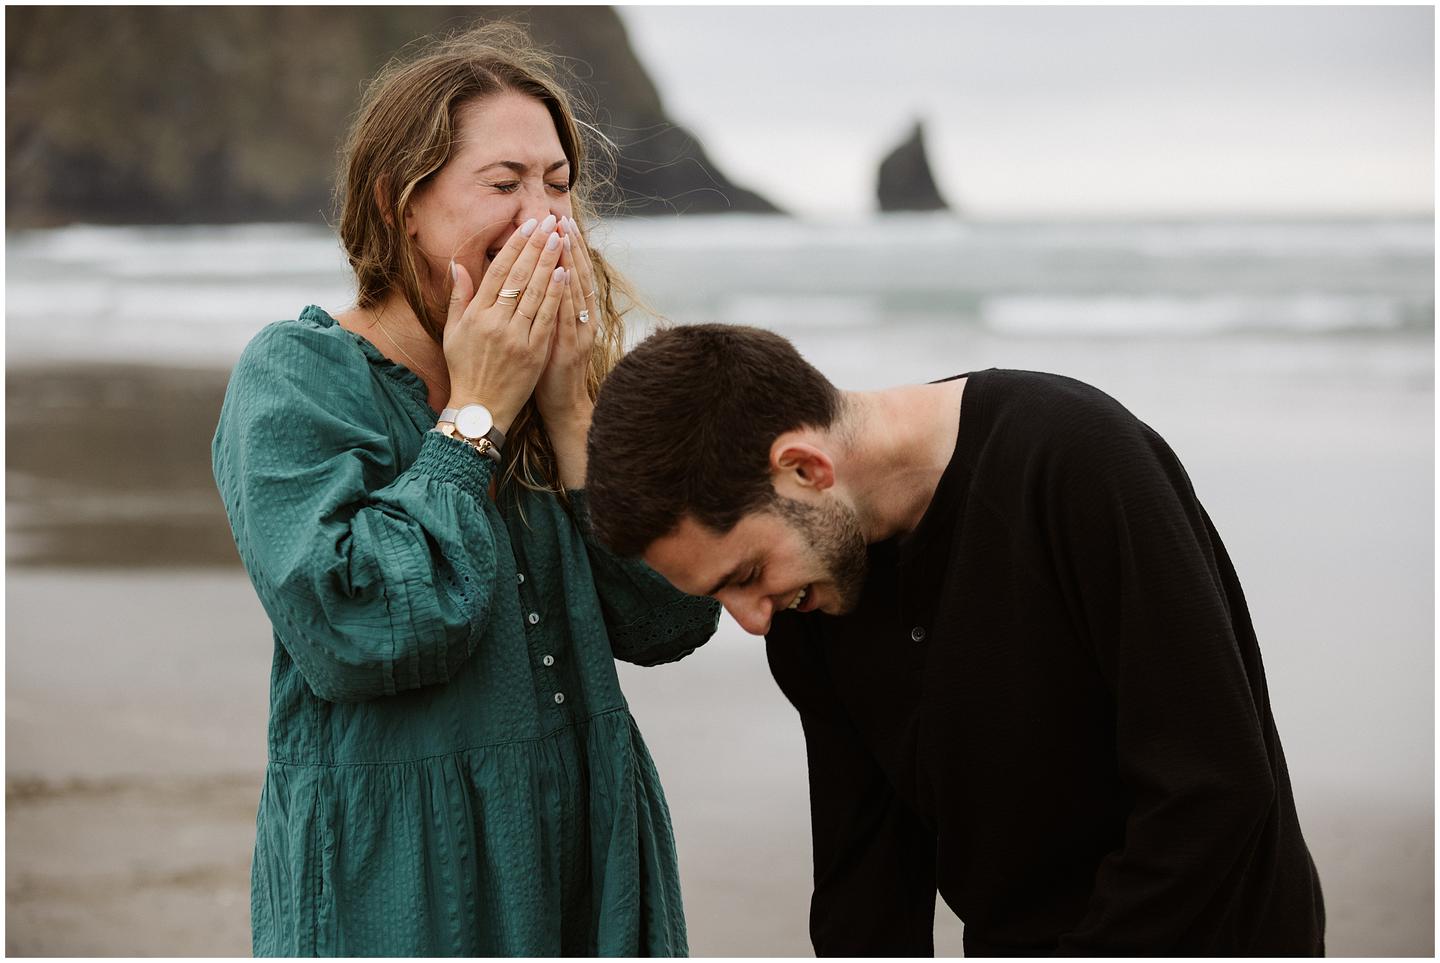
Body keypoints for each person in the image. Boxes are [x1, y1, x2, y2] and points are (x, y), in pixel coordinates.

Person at [211, 24, 718, 957]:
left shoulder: (569, 383)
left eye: (558, 184)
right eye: (504, 182)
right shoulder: (295, 375)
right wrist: (476, 413)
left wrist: (572, 418)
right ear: (398, 203)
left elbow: (672, 616)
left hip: (589, 854)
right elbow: (357, 626)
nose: (545, 219)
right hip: (402, 876)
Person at [583, 324, 1326, 956]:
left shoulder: (1075, 460)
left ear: (805, 468)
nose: (752, 619)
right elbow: (865, 879)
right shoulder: (811, 598)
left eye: (746, 573)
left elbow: (1213, 791)